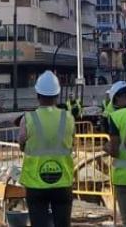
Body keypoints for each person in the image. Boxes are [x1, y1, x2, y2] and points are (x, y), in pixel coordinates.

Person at [19, 71, 76, 227]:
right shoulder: (68, 117)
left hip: (36, 183)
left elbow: (22, 145)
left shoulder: (28, 118)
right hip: (62, 181)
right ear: (57, 95)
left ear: (38, 94)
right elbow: (71, 144)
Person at [101, 81, 126, 227]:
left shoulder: (116, 117)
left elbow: (115, 151)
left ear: (117, 98)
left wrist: (106, 148)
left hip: (124, 177)